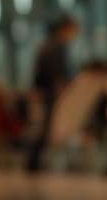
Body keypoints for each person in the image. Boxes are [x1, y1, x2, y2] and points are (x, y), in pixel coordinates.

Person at [27, 16, 79, 171]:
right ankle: (33, 163)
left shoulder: (48, 45)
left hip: (46, 92)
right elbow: (57, 74)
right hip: (51, 93)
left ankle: (34, 162)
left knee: (44, 128)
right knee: (46, 128)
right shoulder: (56, 47)